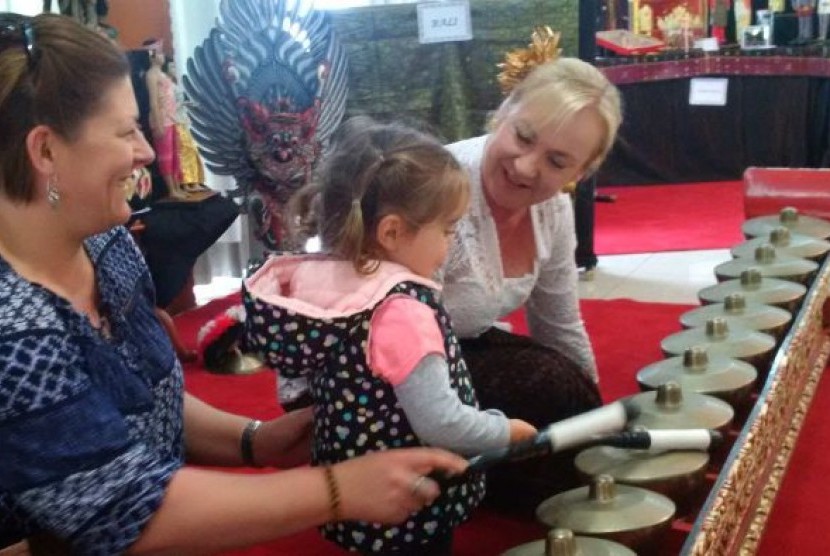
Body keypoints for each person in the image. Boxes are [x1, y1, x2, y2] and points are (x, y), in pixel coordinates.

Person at [0, 12, 468, 555]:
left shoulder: (107, 245)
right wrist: (337, 491)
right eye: (127, 131)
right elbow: (123, 514)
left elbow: (151, 404)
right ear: (46, 151)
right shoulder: (14, 332)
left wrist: (253, 441)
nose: (147, 152)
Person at [242, 115, 537, 555]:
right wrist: (504, 431)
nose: (450, 244)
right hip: (407, 497)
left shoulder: (329, 283)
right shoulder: (402, 310)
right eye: (447, 229)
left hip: (353, 486)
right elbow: (441, 421)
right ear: (393, 232)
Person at [440, 57, 623, 511]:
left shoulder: (554, 209)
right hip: (374, 370)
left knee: (566, 384)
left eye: (557, 161)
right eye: (523, 136)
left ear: (580, 171)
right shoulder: (437, 185)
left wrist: (596, 416)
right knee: (545, 385)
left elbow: (559, 327)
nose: (525, 167)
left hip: (452, 349)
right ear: (504, 111)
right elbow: (382, 334)